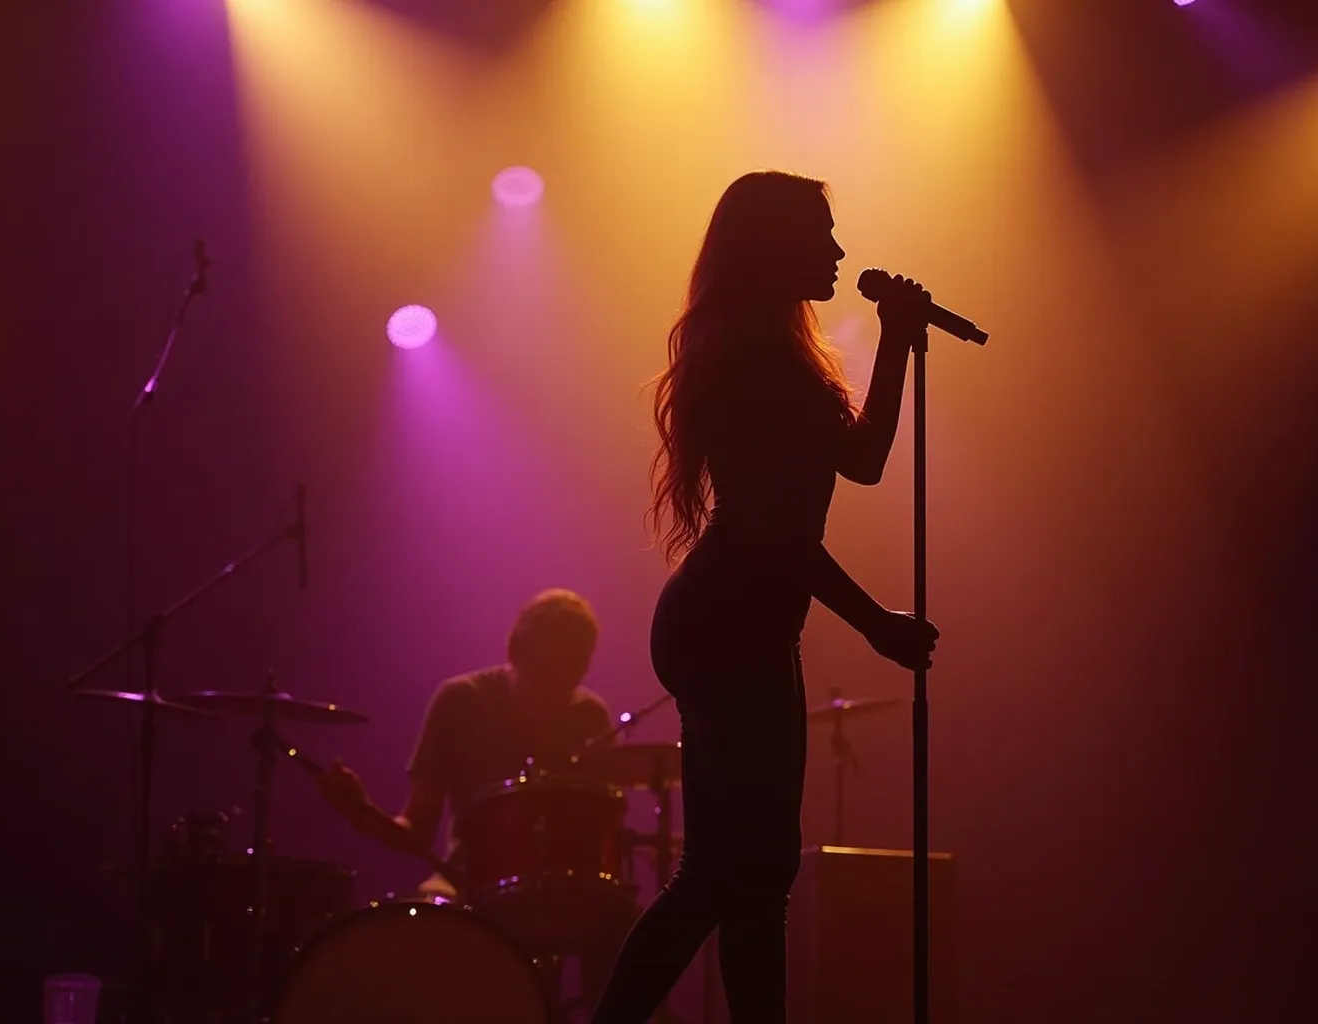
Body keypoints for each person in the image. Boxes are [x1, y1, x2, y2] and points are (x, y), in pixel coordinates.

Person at [591, 171, 940, 1024]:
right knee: (742, 872)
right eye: (821, 235)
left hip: (737, 621)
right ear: (773, 244)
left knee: (736, 873)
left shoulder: (767, 351)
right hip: (731, 624)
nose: (839, 252)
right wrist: (876, 624)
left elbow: (862, 460)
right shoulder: (753, 356)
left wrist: (897, 339)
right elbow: (772, 532)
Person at [315, 588, 628, 1008]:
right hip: (466, 880)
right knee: (425, 936)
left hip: (568, 892)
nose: (559, 687)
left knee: (628, 931)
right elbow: (416, 832)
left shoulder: (590, 715)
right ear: (516, 652)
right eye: (549, 670)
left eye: (572, 672)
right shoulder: (461, 701)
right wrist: (359, 810)